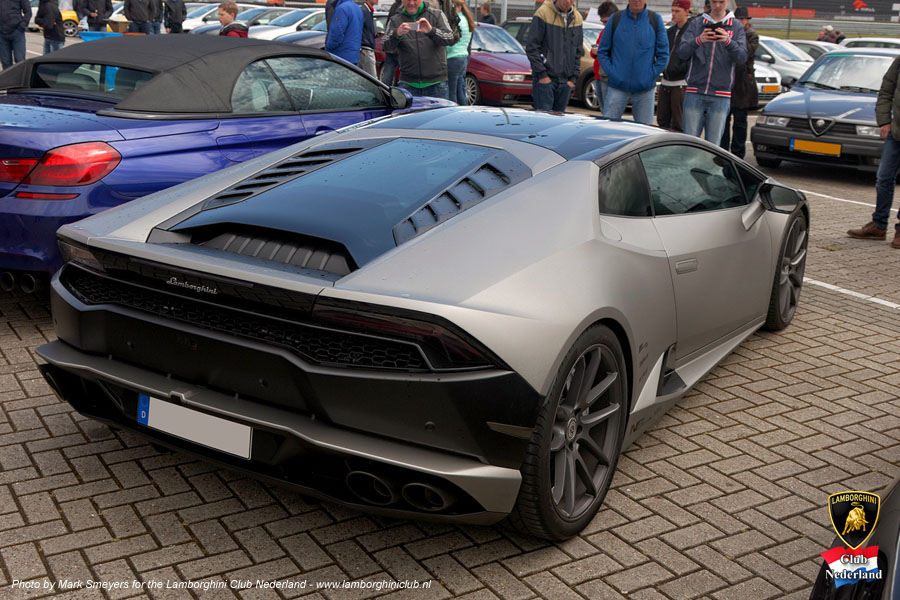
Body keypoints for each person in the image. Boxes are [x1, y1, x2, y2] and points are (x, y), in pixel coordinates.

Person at [847, 54, 900, 249]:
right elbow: (886, 92)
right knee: (884, 178)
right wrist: (884, 121)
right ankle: (878, 225)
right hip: (896, 132)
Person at [676, 0, 746, 144]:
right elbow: (681, 53)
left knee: (713, 145)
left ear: (727, 2)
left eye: (721, 1)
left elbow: (742, 57)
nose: (718, 5)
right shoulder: (697, 23)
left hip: (721, 95)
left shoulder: (736, 25)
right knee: (689, 143)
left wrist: (728, 42)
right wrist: (698, 40)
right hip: (695, 92)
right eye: (714, 1)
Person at [596, 0, 668, 124]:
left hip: (645, 90)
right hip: (617, 87)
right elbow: (602, 51)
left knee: (645, 132)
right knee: (608, 129)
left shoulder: (655, 20)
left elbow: (664, 55)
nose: (636, 1)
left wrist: (649, 75)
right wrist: (613, 73)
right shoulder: (615, 19)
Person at [382, 0, 456, 99]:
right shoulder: (395, 20)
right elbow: (385, 46)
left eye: (415, 0)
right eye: (407, 0)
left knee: (440, 110)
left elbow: (450, 38)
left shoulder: (437, 14)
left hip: (436, 84)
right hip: (408, 84)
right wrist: (396, 34)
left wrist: (431, 31)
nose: (411, 3)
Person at [526, 0, 583, 112]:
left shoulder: (577, 18)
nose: (568, 2)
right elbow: (532, 47)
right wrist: (542, 75)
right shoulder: (543, 13)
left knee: (559, 121)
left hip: (566, 82)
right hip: (545, 81)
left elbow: (578, 50)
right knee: (543, 120)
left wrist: (573, 79)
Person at [720, 6, 756, 157]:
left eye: (743, 19)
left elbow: (747, 53)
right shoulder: (731, 32)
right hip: (729, 81)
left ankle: (738, 154)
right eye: (738, 19)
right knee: (723, 120)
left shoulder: (751, 35)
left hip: (743, 85)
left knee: (740, 122)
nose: (740, 22)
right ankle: (722, 152)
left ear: (747, 21)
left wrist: (738, 35)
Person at [657, 0, 691, 131]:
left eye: (677, 11)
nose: (674, 14)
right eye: (672, 10)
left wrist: (681, 69)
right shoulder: (670, 31)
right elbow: (662, 51)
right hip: (666, 81)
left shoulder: (691, 32)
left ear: (686, 12)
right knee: (662, 121)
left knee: (678, 122)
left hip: (681, 82)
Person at [588, 1, 617, 114]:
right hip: (598, 75)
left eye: (606, 21)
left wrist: (599, 51)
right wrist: (595, 51)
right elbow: (593, 53)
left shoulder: (618, 32)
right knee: (604, 110)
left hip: (608, 77)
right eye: (602, 21)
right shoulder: (604, 32)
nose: (604, 24)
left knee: (609, 111)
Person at [446, 0, 473, 104]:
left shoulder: (457, 21)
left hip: (453, 57)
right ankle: (463, 110)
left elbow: (451, 42)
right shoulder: (466, 20)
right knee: (460, 90)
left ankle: (452, 111)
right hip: (463, 58)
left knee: (451, 92)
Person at [326, 0, 363, 64]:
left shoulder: (341, 9)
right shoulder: (357, 8)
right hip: (353, 56)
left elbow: (336, 34)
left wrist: (328, 47)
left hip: (340, 56)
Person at [0, 0, 30, 70]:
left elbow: (28, 11)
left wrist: (22, 26)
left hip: (17, 32)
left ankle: (20, 77)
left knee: (19, 60)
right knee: (5, 62)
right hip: (2, 34)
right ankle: (8, 77)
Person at [359, 0, 377, 76]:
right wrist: (359, 48)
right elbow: (357, 29)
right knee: (372, 78)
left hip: (366, 48)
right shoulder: (363, 11)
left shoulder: (368, 11)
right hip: (365, 49)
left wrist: (375, 34)